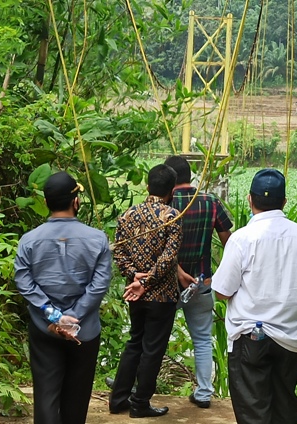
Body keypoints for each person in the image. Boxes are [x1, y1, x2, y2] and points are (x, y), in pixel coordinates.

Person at [212, 169, 297, 424]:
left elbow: (222, 291)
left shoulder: (241, 239)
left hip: (250, 336)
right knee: (284, 409)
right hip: (289, 338)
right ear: (284, 201)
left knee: (253, 412)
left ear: (250, 200)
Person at [14, 171, 112, 424]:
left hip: (44, 329)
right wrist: (73, 318)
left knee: (46, 395)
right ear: (75, 201)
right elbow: (100, 283)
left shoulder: (28, 241)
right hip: (85, 330)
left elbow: (24, 282)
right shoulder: (98, 239)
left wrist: (55, 315)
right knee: (77, 398)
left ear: (46, 203)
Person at [109, 164, 182, 418]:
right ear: (171, 190)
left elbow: (118, 251)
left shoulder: (128, 215)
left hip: (135, 293)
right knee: (152, 349)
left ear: (148, 186)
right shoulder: (172, 215)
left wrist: (134, 276)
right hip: (160, 295)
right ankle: (140, 403)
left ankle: (118, 398)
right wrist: (148, 281)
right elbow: (169, 257)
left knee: (135, 342)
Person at [163, 155, 233, 409]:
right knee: (202, 339)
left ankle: (135, 386)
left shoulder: (165, 203)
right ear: (190, 176)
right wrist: (219, 275)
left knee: (152, 337)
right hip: (202, 280)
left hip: (167, 282)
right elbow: (231, 243)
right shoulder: (210, 201)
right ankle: (204, 392)